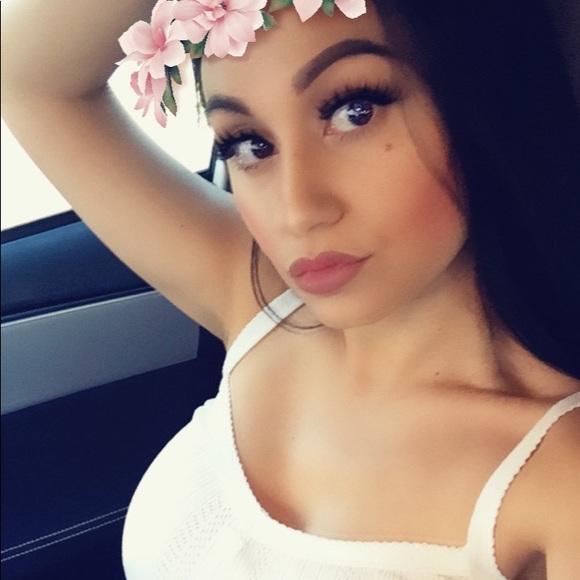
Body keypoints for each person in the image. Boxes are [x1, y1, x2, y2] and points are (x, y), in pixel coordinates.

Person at [2, 0, 579, 577]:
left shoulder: (560, 480)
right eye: (249, 144)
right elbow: (25, 74)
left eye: (354, 112)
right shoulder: (256, 294)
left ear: (479, 103)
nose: (297, 210)